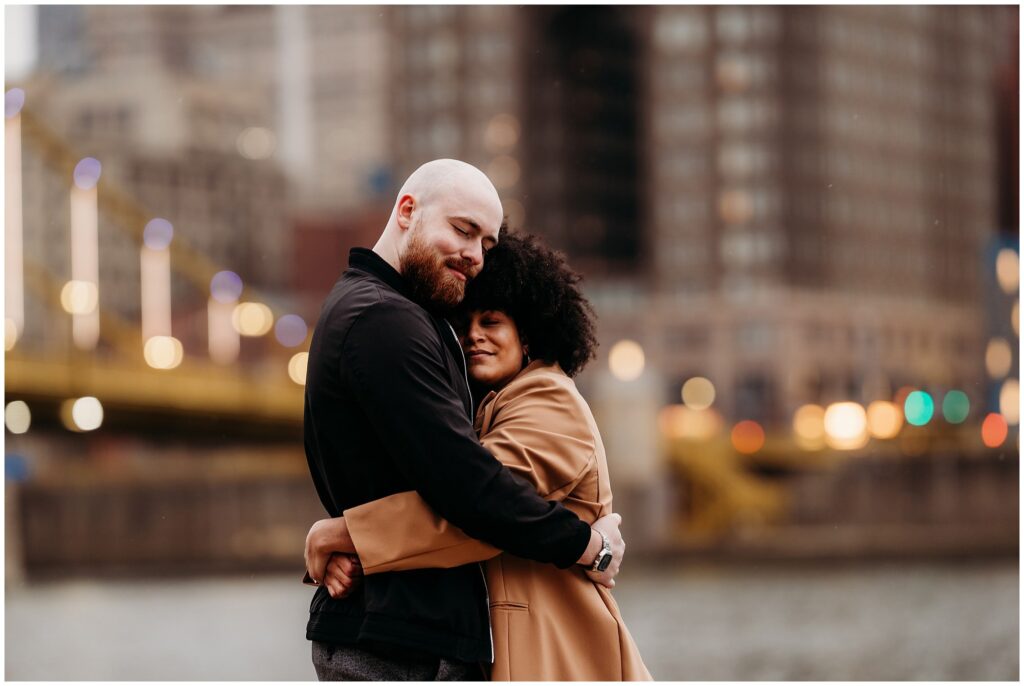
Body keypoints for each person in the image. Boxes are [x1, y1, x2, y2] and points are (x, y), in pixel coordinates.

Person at [302, 159, 625, 681]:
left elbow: (465, 494)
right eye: (462, 230)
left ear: (532, 331)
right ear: (407, 211)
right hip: (402, 641)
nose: (474, 255)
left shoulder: (541, 397)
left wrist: (344, 536)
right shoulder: (386, 318)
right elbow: (470, 492)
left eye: (487, 244)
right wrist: (588, 544)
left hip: (443, 635)